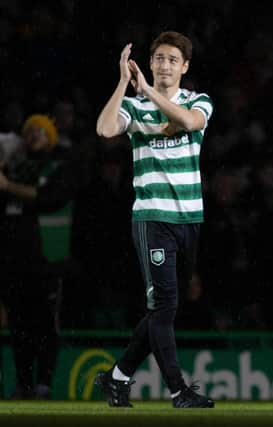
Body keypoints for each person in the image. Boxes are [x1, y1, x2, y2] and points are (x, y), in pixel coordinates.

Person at [93, 31, 214, 408]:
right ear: (150, 64)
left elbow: (191, 123)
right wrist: (123, 83)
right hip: (152, 217)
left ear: (185, 67)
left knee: (168, 308)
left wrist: (149, 92)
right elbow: (104, 129)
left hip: (190, 217)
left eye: (172, 59)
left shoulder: (199, 100)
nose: (164, 64)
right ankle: (179, 390)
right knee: (163, 306)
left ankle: (116, 378)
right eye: (159, 58)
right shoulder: (134, 105)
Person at [0, 114, 73, 399]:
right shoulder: (13, 164)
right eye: (29, 131)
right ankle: (23, 383)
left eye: (40, 132)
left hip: (46, 261)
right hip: (13, 260)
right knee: (19, 326)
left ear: (50, 138)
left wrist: (7, 186)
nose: (32, 136)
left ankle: (43, 383)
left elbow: (48, 197)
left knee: (45, 325)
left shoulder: (57, 167)